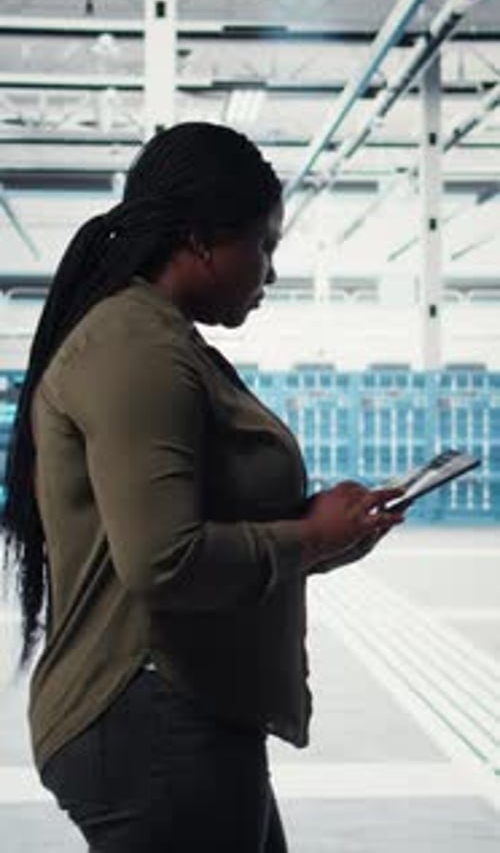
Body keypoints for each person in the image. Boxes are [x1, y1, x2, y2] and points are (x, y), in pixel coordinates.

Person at [2, 122, 404, 853]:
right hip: (151, 717)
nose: (270, 272)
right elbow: (163, 559)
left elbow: (201, 523)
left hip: (179, 714)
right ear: (199, 241)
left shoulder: (165, 342)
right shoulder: (135, 348)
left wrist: (328, 536)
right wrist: (309, 535)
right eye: (264, 244)